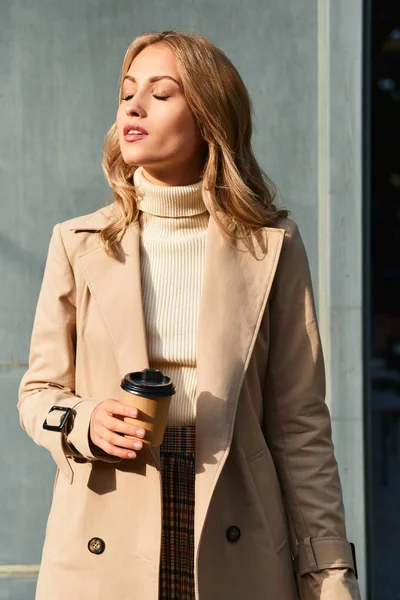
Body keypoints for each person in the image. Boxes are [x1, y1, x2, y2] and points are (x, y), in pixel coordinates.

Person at [18, 30, 360, 600]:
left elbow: (301, 426)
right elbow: (37, 394)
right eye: (128, 92)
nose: (133, 105)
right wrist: (84, 420)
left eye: (161, 92)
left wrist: (330, 575)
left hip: (238, 521)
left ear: (208, 115)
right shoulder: (78, 243)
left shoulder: (272, 244)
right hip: (105, 527)